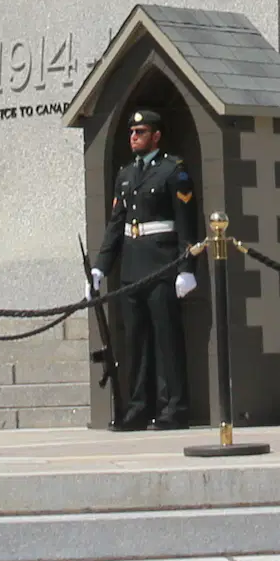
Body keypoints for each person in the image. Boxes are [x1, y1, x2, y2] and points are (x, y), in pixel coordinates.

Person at [94, 106, 199, 430]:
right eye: (131, 132)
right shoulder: (126, 175)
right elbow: (116, 225)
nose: (133, 137)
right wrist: (100, 267)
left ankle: (173, 409)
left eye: (140, 132)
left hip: (162, 267)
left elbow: (186, 223)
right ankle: (138, 409)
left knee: (167, 342)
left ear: (156, 136)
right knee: (135, 343)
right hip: (132, 270)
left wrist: (186, 268)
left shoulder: (173, 171)